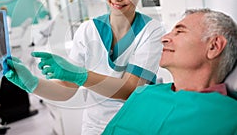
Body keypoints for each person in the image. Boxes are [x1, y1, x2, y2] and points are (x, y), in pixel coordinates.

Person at [5, 0, 165, 134]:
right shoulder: (88, 30)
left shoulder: (151, 31)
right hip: (95, 129)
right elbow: (67, 90)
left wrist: (81, 76)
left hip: (136, 127)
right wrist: (32, 84)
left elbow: (130, 89)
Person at [101, 8, 237, 134]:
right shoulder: (143, 94)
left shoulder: (229, 117)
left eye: (179, 31)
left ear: (214, 46)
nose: (163, 38)